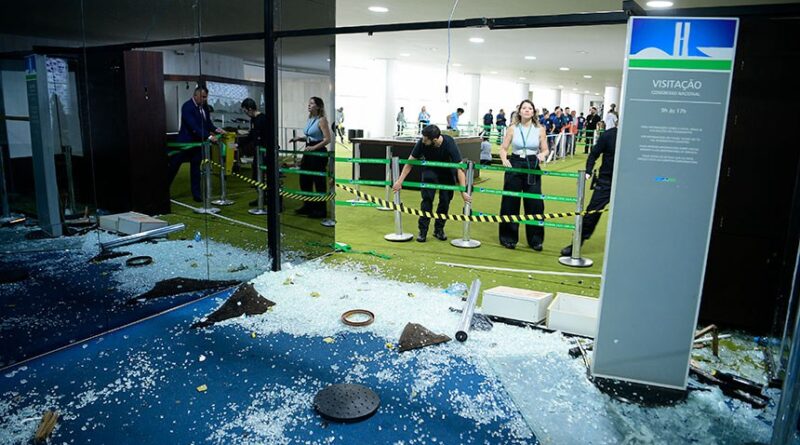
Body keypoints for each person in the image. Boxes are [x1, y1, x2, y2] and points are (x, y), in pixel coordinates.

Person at [392, 124, 471, 242]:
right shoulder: (422, 143)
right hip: (430, 170)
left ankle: (438, 230)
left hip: (447, 171)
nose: (423, 141)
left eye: (425, 139)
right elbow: (410, 162)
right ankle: (422, 231)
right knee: (427, 200)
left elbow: (460, 168)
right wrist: (399, 181)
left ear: (434, 140)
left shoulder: (449, 143)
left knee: (445, 200)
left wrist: (463, 191)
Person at [498, 99, 549, 251]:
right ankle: (508, 238)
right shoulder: (512, 128)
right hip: (515, 163)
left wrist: (543, 155)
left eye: (530, 108)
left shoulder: (540, 129)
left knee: (535, 203)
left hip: (532, 164)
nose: (527, 110)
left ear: (534, 112)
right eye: (524, 108)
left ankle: (535, 240)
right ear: (519, 111)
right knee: (510, 202)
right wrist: (504, 159)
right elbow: (503, 148)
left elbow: (545, 149)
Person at [560, 122, 617, 257]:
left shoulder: (635, 137)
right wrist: (588, 171)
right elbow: (593, 154)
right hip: (605, 182)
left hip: (627, 184)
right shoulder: (608, 135)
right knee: (591, 214)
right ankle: (576, 244)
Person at [168, 86, 224, 202]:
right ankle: (162, 191)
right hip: (184, 143)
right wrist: (209, 136)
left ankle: (197, 194)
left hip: (198, 144)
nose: (204, 99)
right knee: (173, 167)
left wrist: (217, 129)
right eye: (203, 97)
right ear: (196, 95)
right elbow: (193, 126)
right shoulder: (187, 107)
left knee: (196, 169)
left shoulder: (205, 108)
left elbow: (207, 124)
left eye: (206, 97)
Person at [288, 96, 332, 218]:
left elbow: (327, 139)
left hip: (318, 153)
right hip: (308, 152)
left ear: (318, 106)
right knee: (305, 179)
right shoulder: (310, 119)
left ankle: (320, 210)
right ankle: (307, 206)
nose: (309, 105)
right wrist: (300, 138)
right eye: (309, 103)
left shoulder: (322, 120)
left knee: (318, 182)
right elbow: (310, 137)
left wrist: (314, 148)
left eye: (312, 103)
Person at [239, 98, 268, 206]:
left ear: (250, 109)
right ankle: (261, 196)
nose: (246, 113)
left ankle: (267, 197)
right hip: (258, 151)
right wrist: (239, 144)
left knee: (264, 176)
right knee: (256, 176)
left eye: (246, 111)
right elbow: (252, 135)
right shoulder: (253, 120)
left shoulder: (263, 119)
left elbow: (268, 136)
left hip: (264, 152)